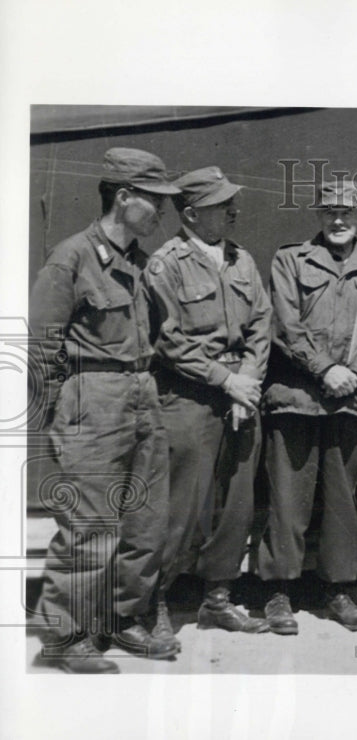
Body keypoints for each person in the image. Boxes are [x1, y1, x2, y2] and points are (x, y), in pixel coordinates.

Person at [28, 148, 180, 672]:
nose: (163, 210)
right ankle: (67, 638)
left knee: (147, 520)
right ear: (124, 197)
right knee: (89, 524)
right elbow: (41, 346)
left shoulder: (139, 264)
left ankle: (123, 618)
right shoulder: (71, 258)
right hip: (91, 396)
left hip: (142, 391)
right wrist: (57, 420)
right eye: (155, 200)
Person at [257, 179, 357, 635]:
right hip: (297, 397)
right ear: (318, 216)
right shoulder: (290, 259)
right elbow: (285, 322)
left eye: (347, 213)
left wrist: (353, 374)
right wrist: (324, 370)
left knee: (343, 501)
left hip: (352, 401)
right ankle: (278, 591)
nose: (338, 220)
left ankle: (338, 588)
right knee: (288, 499)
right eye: (329, 212)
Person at [143, 166, 272, 642]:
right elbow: (168, 341)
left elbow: (262, 323)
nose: (233, 210)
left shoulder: (241, 260)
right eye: (221, 205)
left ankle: (217, 600)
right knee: (180, 508)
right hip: (189, 399)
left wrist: (247, 381)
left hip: (240, 394)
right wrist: (226, 381)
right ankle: (151, 605)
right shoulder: (166, 264)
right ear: (192, 214)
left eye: (230, 202)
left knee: (236, 505)